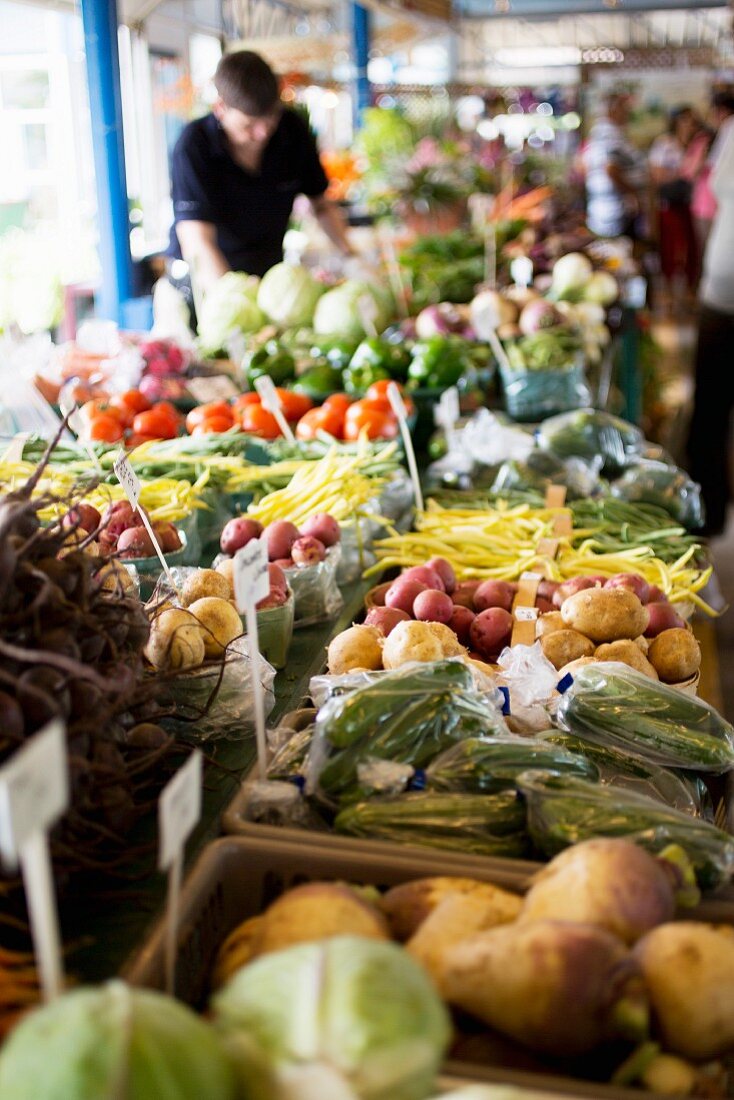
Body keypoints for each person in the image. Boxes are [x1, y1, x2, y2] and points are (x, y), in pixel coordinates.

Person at [166, 50, 353, 304]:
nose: (263, 132)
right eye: (249, 125)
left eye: (270, 119)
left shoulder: (292, 131)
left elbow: (321, 204)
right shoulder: (194, 145)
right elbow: (197, 240)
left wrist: (351, 256)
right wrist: (238, 305)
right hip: (206, 286)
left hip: (268, 278)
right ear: (221, 108)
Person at [686, 121, 734, 536]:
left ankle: (710, 511)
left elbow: (707, 206)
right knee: (710, 410)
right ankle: (709, 512)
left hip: (720, 290)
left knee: (711, 409)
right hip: (720, 292)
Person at [648, 106, 700, 311]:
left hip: (692, 205)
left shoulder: (698, 145)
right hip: (669, 204)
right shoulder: (665, 144)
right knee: (670, 248)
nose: (689, 125)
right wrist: (684, 172)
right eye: (684, 120)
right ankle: (669, 290)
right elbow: (657, 175)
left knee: (692, 248)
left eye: (692, 121)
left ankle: (688, 290)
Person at [583, 91, 647, 239]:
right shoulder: (608, 133)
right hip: (614, 212)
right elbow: (610, 169)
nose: (627, 112)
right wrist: (631, 193)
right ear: (613, 110)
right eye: (624, 108)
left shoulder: (603, 133)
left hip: (608, 210)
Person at [690, 91, 734, 253]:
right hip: (706, 204)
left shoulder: (729, 129)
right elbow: (691, 172)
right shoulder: (707, 138)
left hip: (720, 205)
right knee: (710, 250)